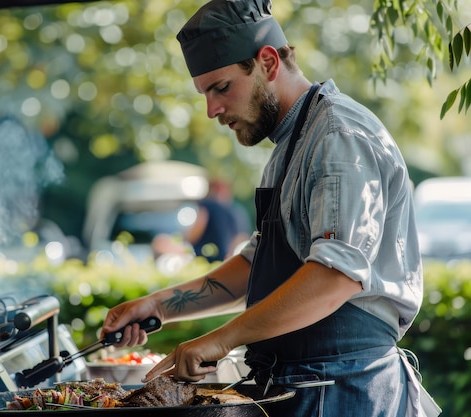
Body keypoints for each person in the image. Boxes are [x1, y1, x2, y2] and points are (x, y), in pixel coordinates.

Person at [100, 0, 434, 416]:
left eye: (220, 88)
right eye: (205, 94)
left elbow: (336, 277)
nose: (212, 110)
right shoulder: (288, 146)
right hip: (303, 387)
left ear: (269, 62)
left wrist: (221, 339)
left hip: (346, 390)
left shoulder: (338, 136)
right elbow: (259, 264)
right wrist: (160, 305)